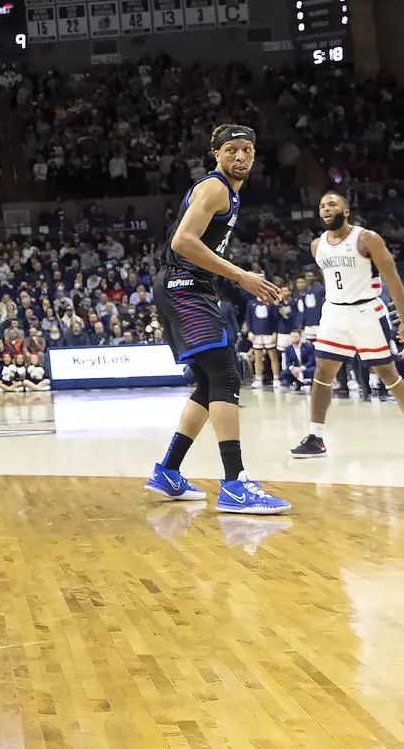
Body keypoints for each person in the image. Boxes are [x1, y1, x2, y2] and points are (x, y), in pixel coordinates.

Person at [143, 124, 291, 514]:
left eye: (247, 150)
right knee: (227, 374)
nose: (240, 157)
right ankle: (235, 484)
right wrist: (241, 275)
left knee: (211, 380)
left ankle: (168, 472)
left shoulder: (231, 193)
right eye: (232, 150)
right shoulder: (215, 188)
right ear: (216, 154)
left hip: (192, 284)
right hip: (183, 283)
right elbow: (182, 241)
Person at [289, 191, 404, 458]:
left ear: (346, 210)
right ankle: (315, 436)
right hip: (334, 312)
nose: (326, 209)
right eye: (322, 206)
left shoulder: (367, 239)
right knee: (322, 373)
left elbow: (393, 280)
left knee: (387, 374)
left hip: (366, 311)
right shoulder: (317, 245)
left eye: (332, 204)